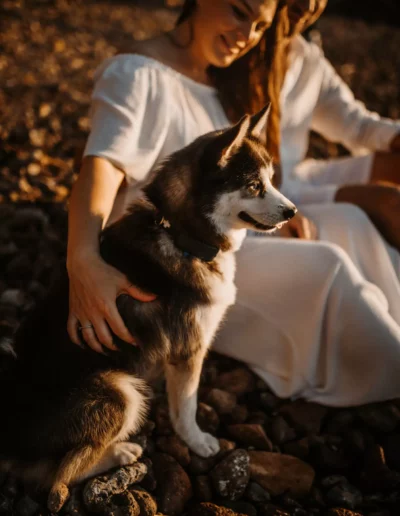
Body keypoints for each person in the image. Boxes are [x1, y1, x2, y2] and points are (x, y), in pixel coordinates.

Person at [67, 0, 400, 407]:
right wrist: (83, 262)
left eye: (259, 26)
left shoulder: (220, 75)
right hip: (174, 261)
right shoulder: (137, 73)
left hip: (225, 236)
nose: (246, 37)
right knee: (329, 265)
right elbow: (100, 169)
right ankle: (385, 369)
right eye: (238, 12)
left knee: (352, 223)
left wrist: (271, 214)